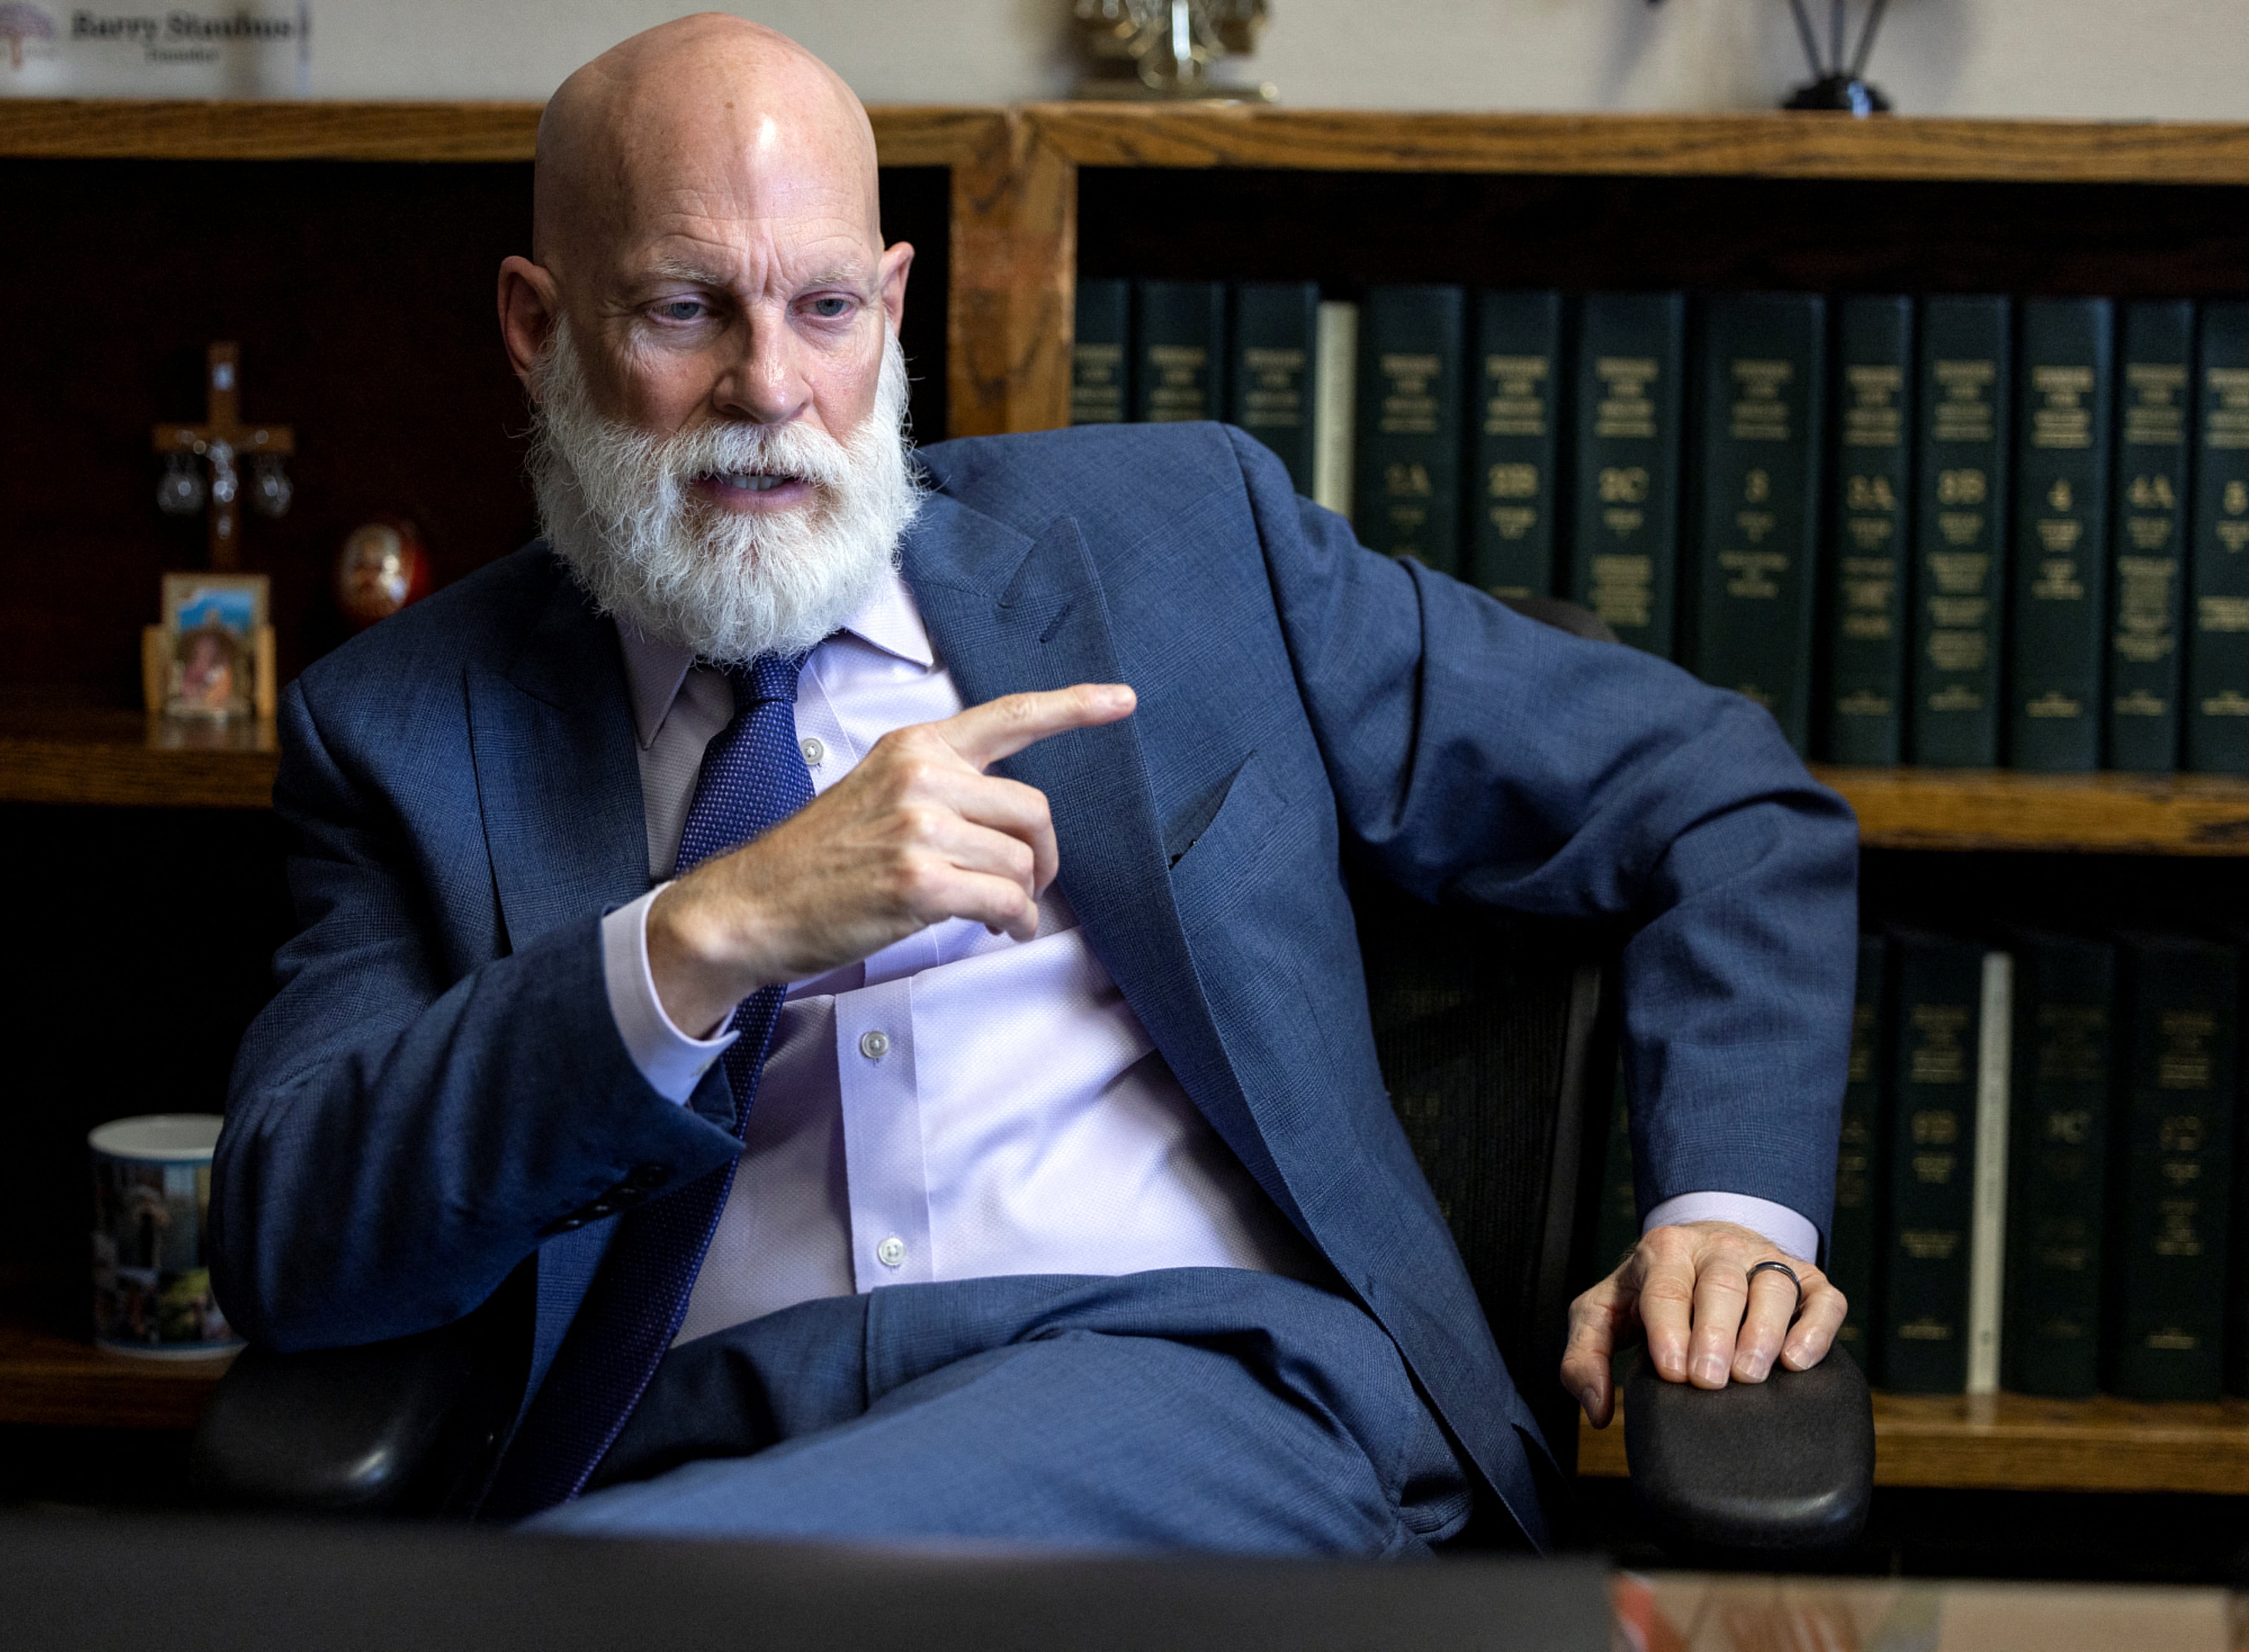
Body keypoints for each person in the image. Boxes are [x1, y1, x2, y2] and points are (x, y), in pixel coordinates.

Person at [211, 14, 1857, 1555]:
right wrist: (702, 935)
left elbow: (1710, 791)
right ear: (537, 323)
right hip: (690, 1451)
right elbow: (292, 1238)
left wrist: (1727, 1211)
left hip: (1196, 1394)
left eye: (826, 308)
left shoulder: (1183, 538)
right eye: (684, 309)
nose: (770, 391)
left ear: (896, 304)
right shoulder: (404, 728)